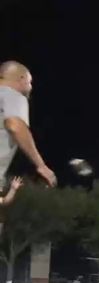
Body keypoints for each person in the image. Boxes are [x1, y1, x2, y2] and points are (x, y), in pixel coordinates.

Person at [1, 61, 57, 192]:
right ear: (21, 78)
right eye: (30, 82)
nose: (31, 87)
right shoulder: (13, 95)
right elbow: (15, 125)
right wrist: (41, 166)